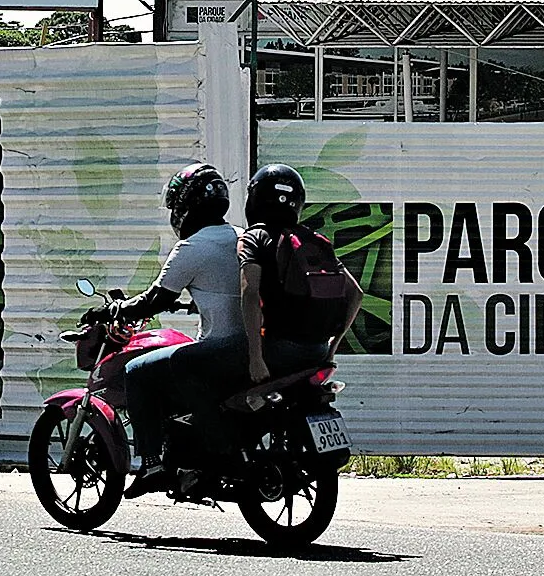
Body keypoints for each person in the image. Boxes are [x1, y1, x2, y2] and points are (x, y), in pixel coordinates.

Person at [98, 162, 245, 480]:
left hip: (221, 350)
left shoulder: (192, 248)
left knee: (136, 371)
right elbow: (227, 288)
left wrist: (116, 310)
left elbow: (154, 300)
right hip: (251, 349)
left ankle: (151, 463)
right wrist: (196, 305)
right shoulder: (241, 236)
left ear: (186, 205)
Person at [236, 163, 365, 390]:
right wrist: (332, 347)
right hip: (317, 351)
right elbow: (356, 294)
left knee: (192, 363)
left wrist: (255, 359)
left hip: (276, 348)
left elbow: (250, 295)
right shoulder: (314, 240)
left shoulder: (253, 238)